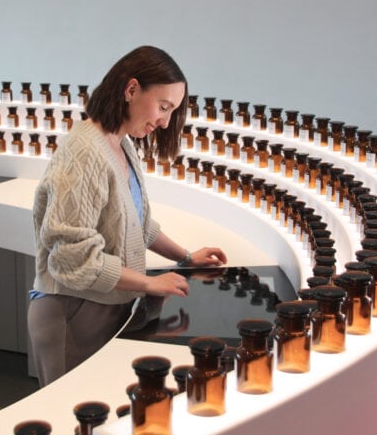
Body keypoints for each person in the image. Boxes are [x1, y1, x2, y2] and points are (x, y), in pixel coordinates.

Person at [28, 46, 227, 386]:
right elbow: (72, 259)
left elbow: (136, 222)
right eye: (163, 107)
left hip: (104, 306)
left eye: (172, 111)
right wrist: (150, 283)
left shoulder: (121, 143)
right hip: (72, 313)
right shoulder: (84, 153)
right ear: (131, 89)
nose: (165, 121)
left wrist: (187, 257)